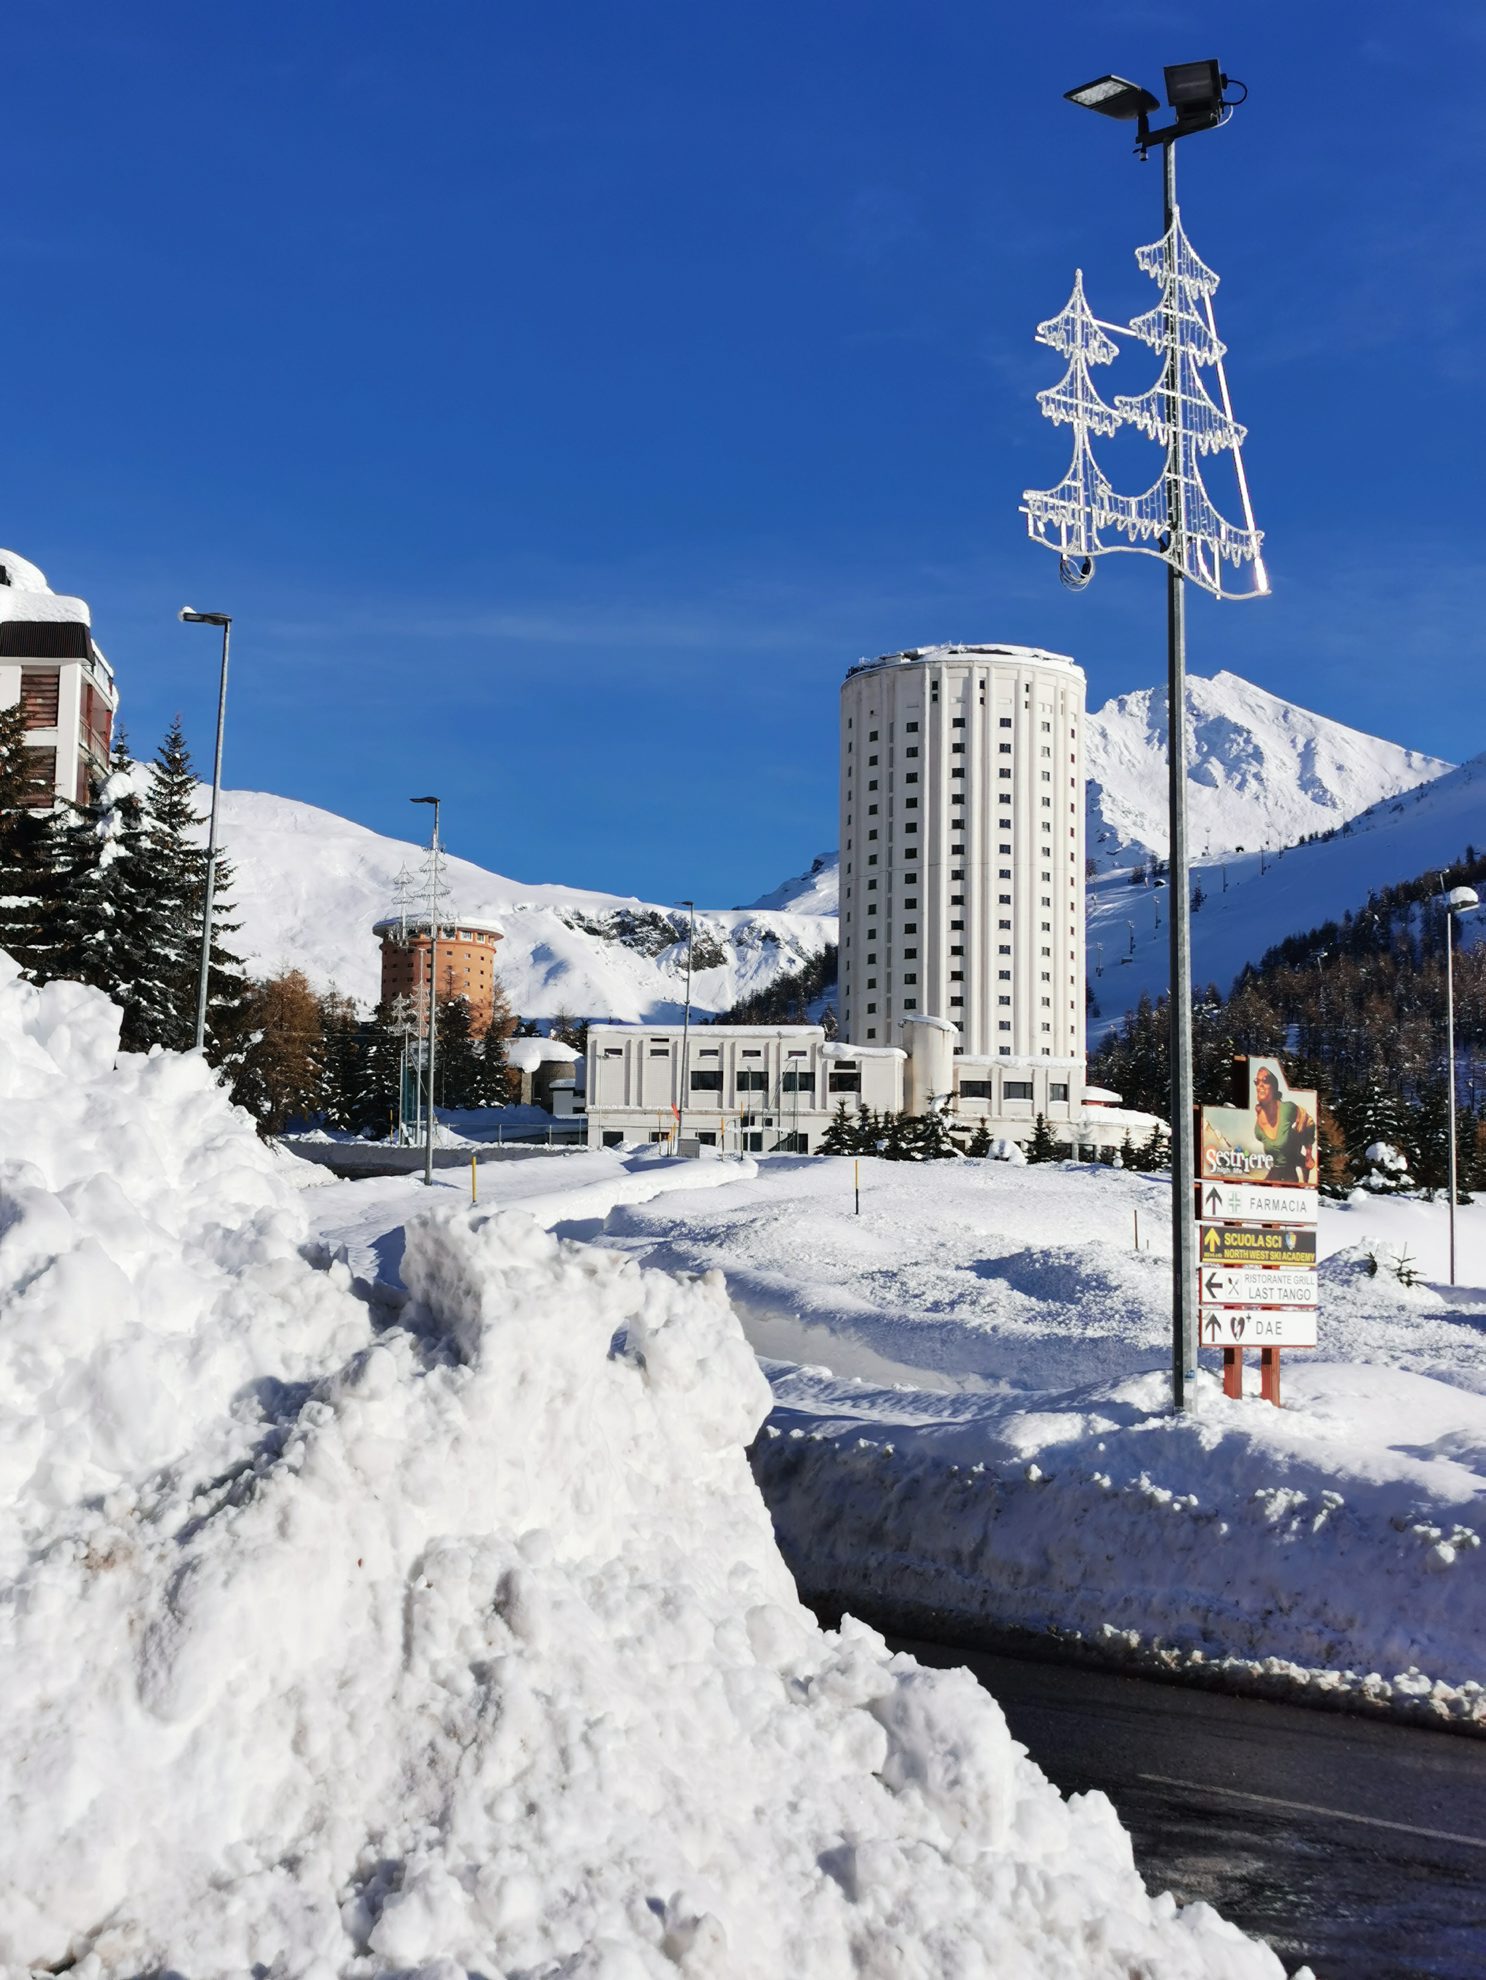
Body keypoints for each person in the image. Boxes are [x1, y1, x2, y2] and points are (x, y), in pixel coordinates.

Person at [1252, 1062, 1315, 1185]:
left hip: (1289, 1176)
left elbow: (1308, 1120)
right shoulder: (1258, 1130)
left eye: (1265, 1080)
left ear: (1274, 1086)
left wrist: (1308, 1153)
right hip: (1278, 1170)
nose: (1260, 1085)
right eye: (1257, 1081)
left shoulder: (1287, 1109)